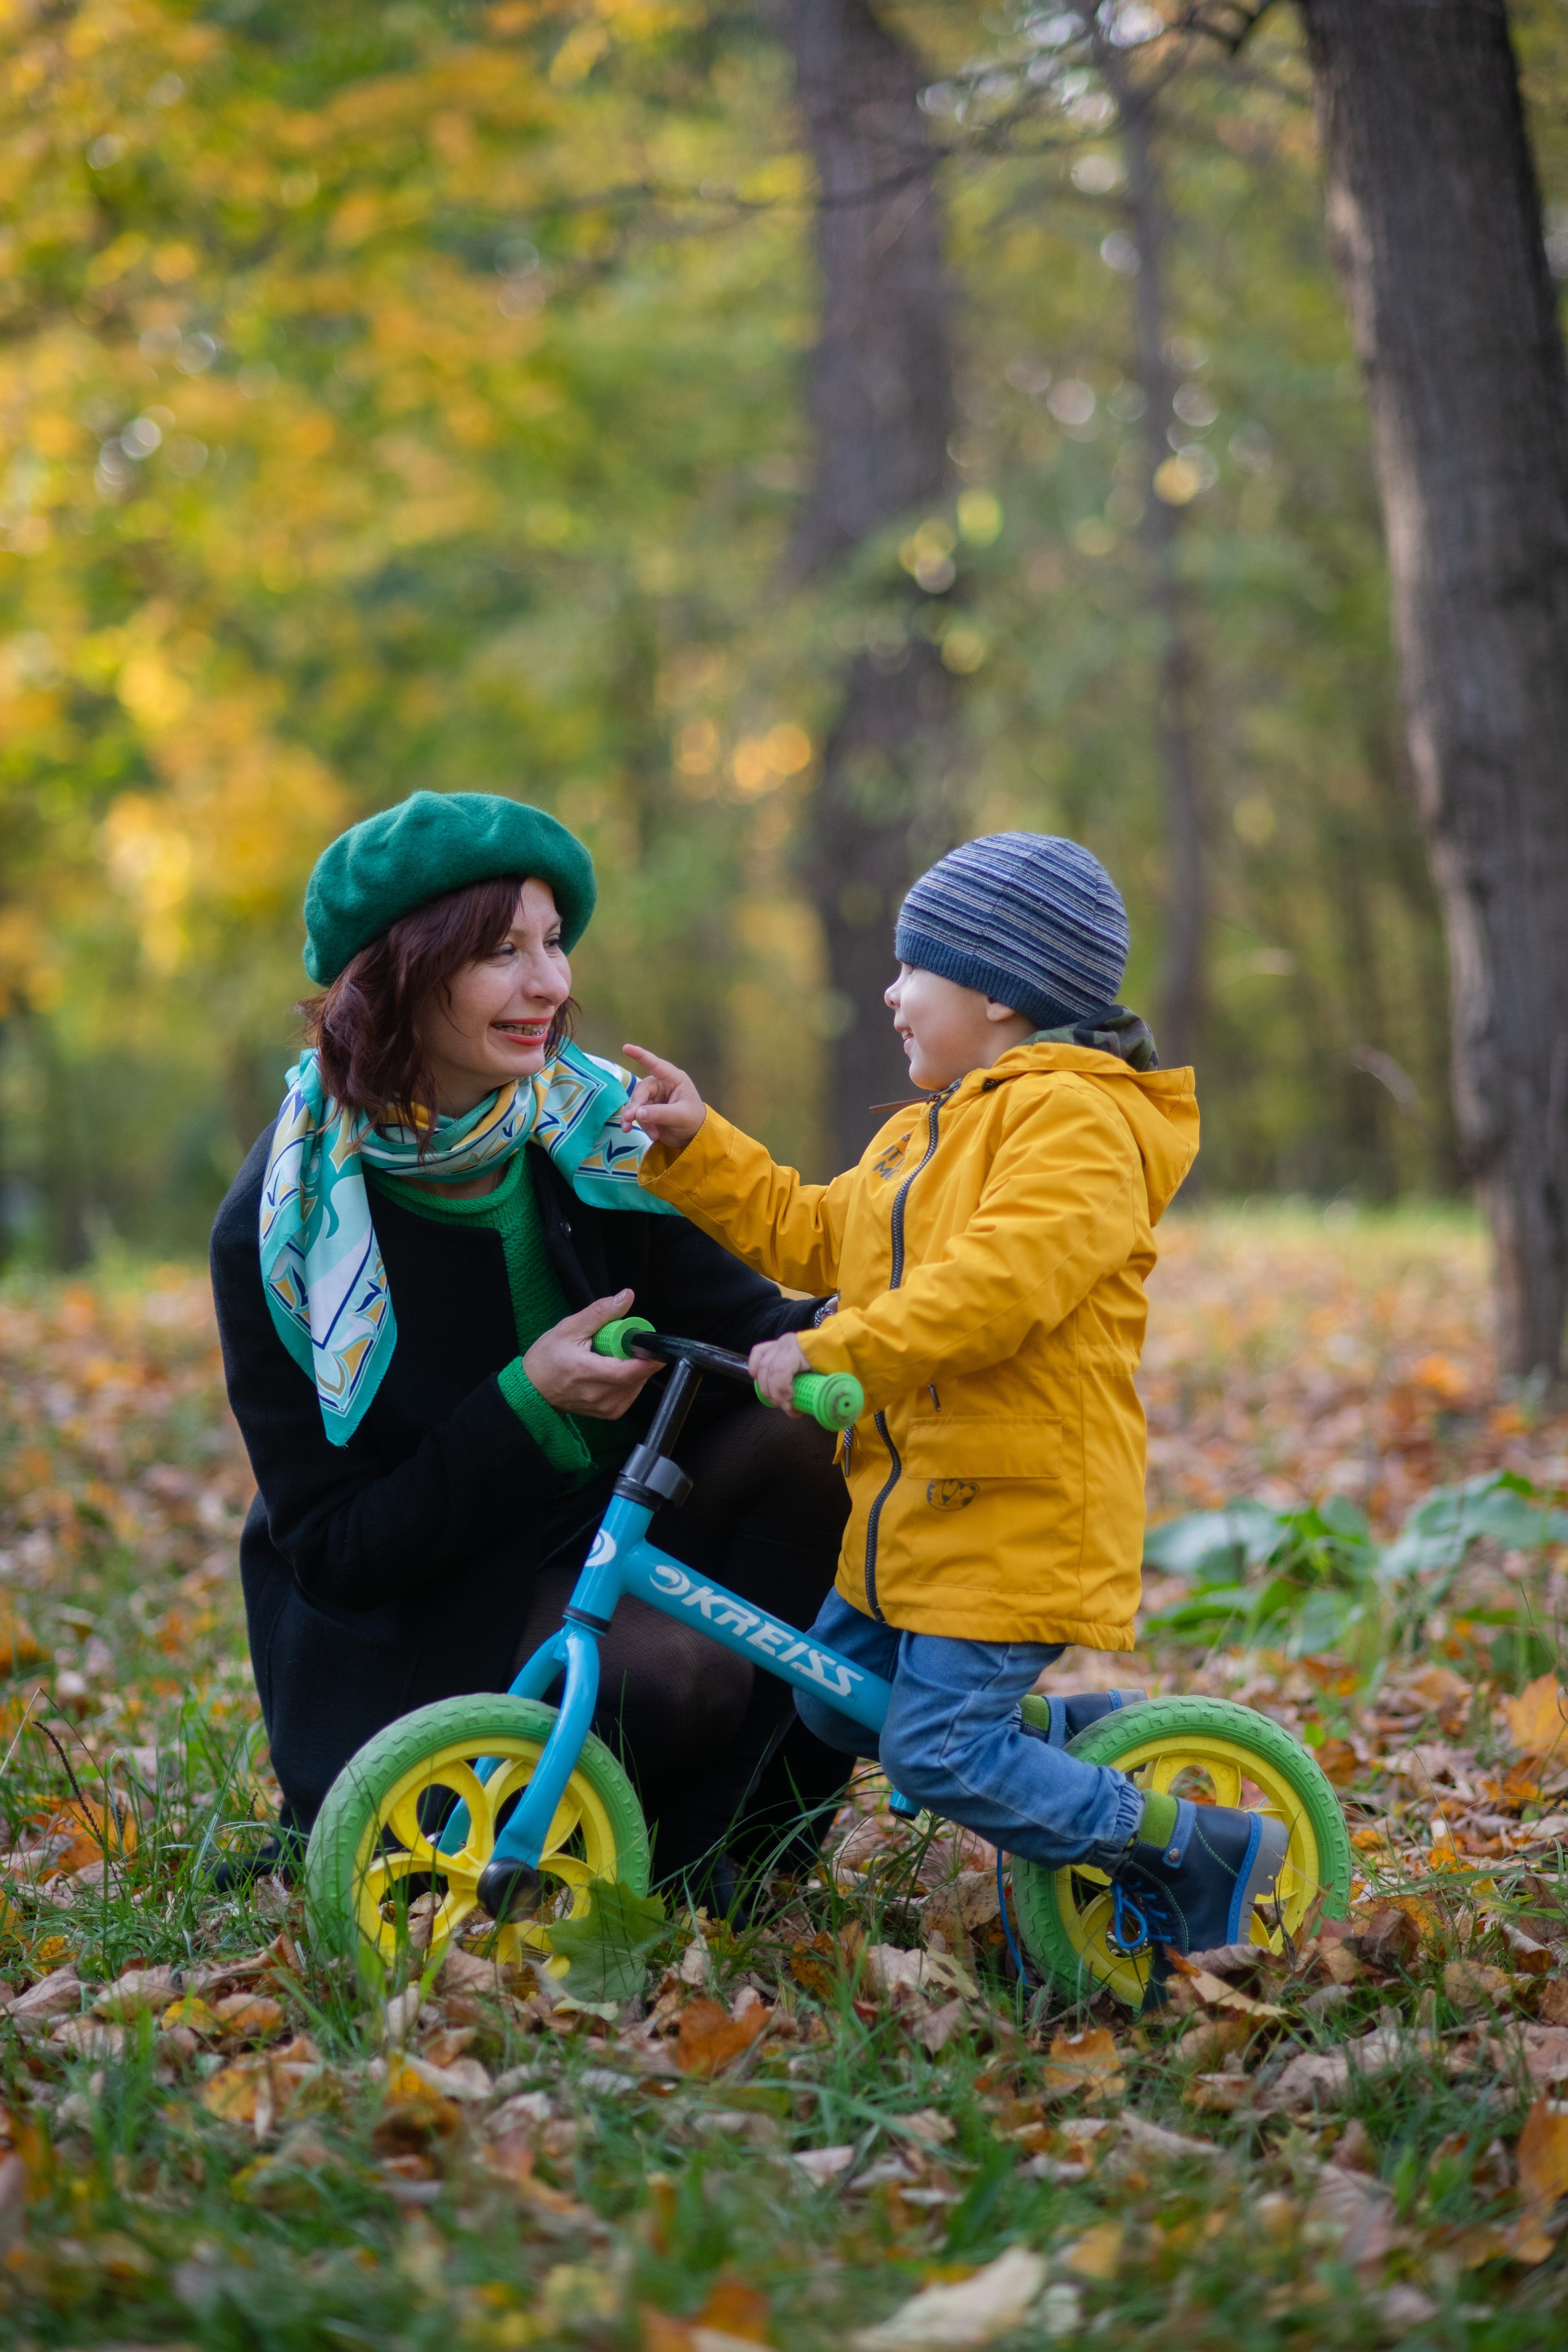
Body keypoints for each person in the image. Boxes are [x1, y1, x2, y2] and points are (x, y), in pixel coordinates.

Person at [622, 831, 1288, 1983]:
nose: (889, 994)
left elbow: (1000, 1287)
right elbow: (807, 1226)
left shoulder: (1080, 1129)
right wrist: (700, 1149)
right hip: (918, 1510)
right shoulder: (918, 1134)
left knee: (932, 1753)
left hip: (1019, 1509)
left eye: (911, 968)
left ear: (996, 991)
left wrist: (843, 1349)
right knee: (836, 1712)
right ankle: (1074, 1756)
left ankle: (1190, 1851)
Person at [209, 790, 849, 1888]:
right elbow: (338, 1550)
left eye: (553, 943)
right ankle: (546, 1861)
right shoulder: (287, 1222)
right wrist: (523, 1410)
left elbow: (750, 1324)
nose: (550, 985)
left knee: (812, 1433)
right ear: (401, 974)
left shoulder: (588, 1126)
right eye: (502, 952)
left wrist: (895, 1316)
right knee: (675, 1674)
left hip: (616, 1532)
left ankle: (737, 1855)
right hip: (424, 1610)